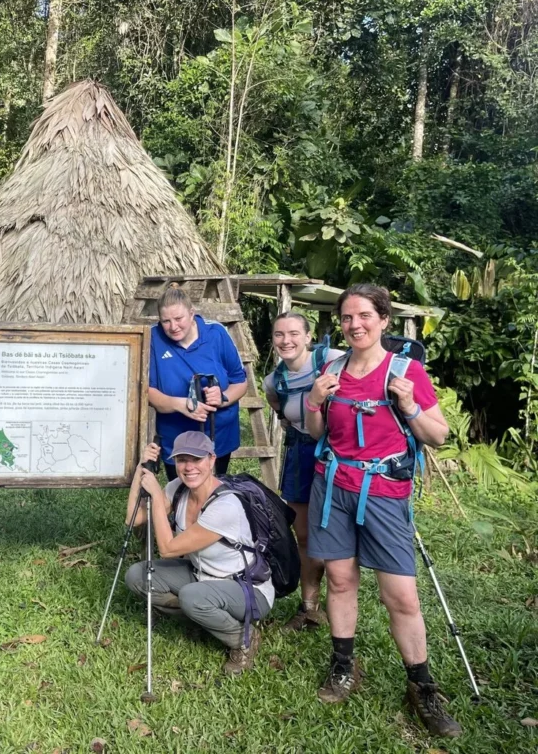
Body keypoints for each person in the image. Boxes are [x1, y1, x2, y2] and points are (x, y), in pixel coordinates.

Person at [304, 284, 461, 737]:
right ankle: (343, 664)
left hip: (385, 495)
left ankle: (422, 685)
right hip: (333, 487)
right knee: (339, 578)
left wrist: (409, 405)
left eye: (364, 316)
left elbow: (438, 435)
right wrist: (315, 400)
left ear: (384, 320)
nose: (355, 324)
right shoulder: (331, 368)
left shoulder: (405, 370)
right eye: (348, 317)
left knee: (402, 596)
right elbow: (317, 430)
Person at [124, 431, 274, 674]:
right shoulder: (178, 488)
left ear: (212, 460)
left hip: (246, 589)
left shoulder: (226, 506)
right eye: (182, 460)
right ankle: (201, 618)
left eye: (197, 459)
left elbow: (168, 548)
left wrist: (155, 495)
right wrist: (141, 470)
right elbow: (134, 517)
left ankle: (243, 639)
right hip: (200, 574)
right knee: (137, 575)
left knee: (192, 596)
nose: (189, 467)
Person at [262, 312, 344, 631]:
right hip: (300, 452)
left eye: (294, 333)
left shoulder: (333, 359)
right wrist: (289, 420)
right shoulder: (274, 380)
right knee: (304, 534)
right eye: (280, 335)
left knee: (337, 531)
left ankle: (340, 603)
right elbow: (278, 406)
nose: (287, 341)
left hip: (337, 453)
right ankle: (309, 606)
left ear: (308, 337)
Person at [148, 286, 248, 477]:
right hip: (175, 437)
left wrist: (222, 397)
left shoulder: (217, 333)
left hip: (217, 435)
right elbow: (147, 390)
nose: (173, 327)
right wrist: (180, 405)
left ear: (192, 313)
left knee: (212, 496)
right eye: (165, 321)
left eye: (178, 319)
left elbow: (240, 382)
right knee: (181, 497)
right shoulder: (153, 338)